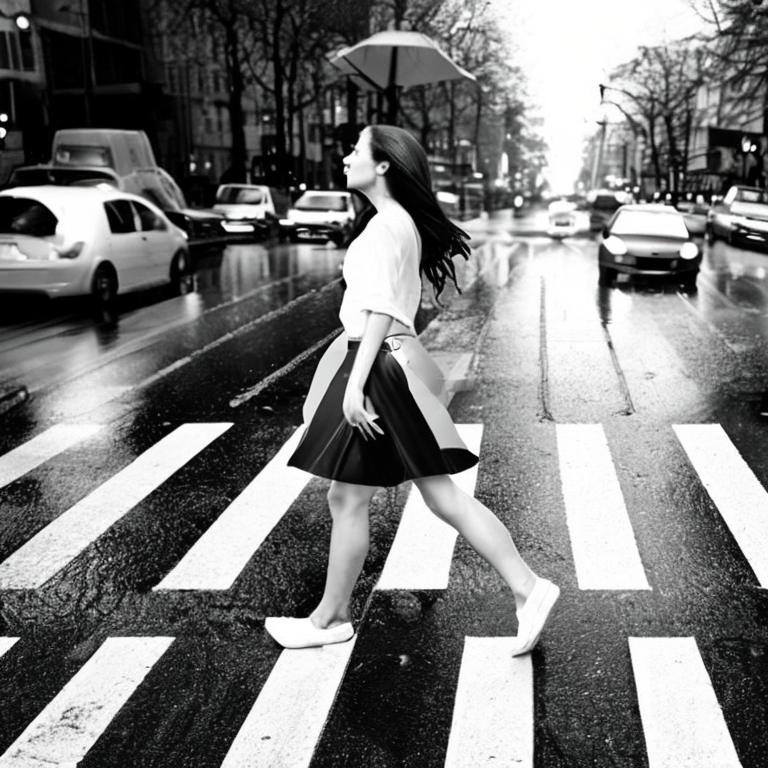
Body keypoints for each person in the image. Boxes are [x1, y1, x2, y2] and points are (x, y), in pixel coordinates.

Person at [265, 125, 559, 654]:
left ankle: (332, 620)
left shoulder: (387, 228)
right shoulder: (393, 223)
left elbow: (380, 309)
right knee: (378, 494)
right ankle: (525, 589)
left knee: (381, 496)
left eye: (357, 149)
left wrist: (355, 386)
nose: (346, 156)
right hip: (390, 358)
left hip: (377, 363)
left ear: (382, 166)